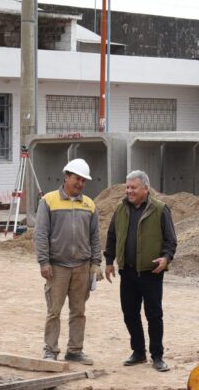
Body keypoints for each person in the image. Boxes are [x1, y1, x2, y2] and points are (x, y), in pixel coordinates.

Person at [103, 170, 177, 372]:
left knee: (154, 315)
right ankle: (138, 352)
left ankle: (157, 356)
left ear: (145, 188)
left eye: (133, 187)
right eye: (127, 187)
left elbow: (171, 241)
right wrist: (109, 261)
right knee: (129, 314)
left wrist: (166, 258)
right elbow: (111, 236)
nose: (129, 191)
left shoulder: (160, 210)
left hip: (151, 273)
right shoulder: (120, 209)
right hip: (127, 272)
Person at [35, 158, 102, 364]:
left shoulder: (89, 205)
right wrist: (44, 262)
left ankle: (74, 350)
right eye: (77, 179)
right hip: (57, 267)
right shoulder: (48, 201)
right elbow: (41, 234)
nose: (80, 183)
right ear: (66, 177)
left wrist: (95, 263)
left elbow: (95, 237)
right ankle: (50, 350)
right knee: (54, 311)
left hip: (81, 267)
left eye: (83, 180)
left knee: (78, 312)